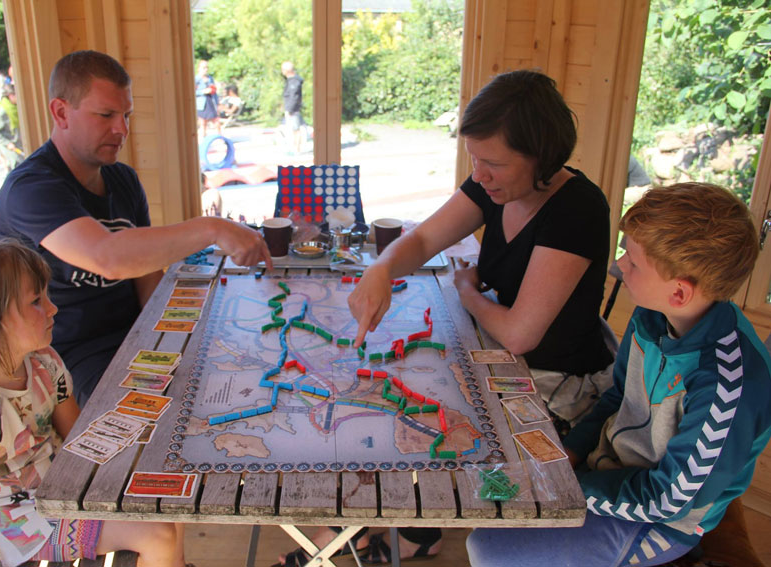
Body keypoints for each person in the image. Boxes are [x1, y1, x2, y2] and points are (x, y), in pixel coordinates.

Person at [336, 69, 615, 563]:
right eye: (474, 159)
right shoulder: (494, 185)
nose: (480, 175)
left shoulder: (577, 208)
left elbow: (520, 334)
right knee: (393, 378)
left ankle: (392, 527)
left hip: (554, 385)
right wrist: (381, 268)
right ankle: (398, 525)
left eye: (493, 163)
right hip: (498, 354)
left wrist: (465, 290)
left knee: (408, 404)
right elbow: (424, 238)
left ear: (542, 156)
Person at [468, 182, 771, 566]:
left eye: (633, 261)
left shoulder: (727, 386)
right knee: (494, 501)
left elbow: (668, 501)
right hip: (610, 469)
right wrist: (570, 453)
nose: (618, 265)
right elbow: (617, 397)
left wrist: (571, 486)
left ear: (679, 293)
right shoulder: (653, 315)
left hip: (658, 522)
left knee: (489, 549)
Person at [0, 50, 271, 406]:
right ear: (60, 112)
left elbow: (148, 282)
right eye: (106, 115)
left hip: (134, 339)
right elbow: (107, 257)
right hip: (61, 360)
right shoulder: (31, 187)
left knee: (237, 376)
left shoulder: (123, 179)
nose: (122, 129)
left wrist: (183, 338)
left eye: (126, 115)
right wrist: (212, 228)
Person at [0, 237, 188, 567]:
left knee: (166, 497)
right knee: (157, 533)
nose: (52, 308)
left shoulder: (43, 361)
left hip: (58, 491)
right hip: (12, 524)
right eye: (36, 301)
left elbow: (75, 435)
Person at [0, 83, 24, 172]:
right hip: (10, 146)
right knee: (16, 168)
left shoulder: (18, 107)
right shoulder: (2, 111)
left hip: (19, 144)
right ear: (11, 96)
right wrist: (7, 143)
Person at [281, 61, 304, 155]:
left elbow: (294, 97)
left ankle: (297, 149)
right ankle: (294, 148)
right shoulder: (291, 81)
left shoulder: (294, 82)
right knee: (293, 129)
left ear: (287, 70)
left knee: (296, 129)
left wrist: (289, 110)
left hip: (293, 110)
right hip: (291, 108)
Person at [195, 60, 220, 137]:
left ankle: (220, 138)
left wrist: (217, 103)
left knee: (216, 121)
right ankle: (204, 139)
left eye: (207, 67)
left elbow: (215, 91)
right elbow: (192, 92)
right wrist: (203, 91)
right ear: (199, 68)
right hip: (201, 103)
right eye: (204, 67)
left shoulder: (210, 78)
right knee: (203, 123)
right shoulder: (196, 79)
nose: (206, 69)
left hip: (210, 101)